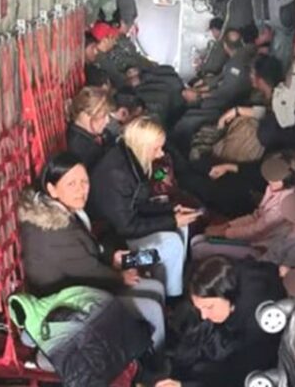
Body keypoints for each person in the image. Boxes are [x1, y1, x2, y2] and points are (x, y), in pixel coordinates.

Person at [18, 152, 166, 350]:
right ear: (52, 189)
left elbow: (88, 251)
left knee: (156, 285)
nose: (81, 190)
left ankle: (158, 344)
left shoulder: (62, 211)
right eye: (71, 184)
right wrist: (120, 277)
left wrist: (112, 257)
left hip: (83, 284)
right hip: (65, 304)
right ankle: (154, 361)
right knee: (152, 307)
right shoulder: (54, 231)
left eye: (84, 182)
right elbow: (89, 271)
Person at [88, 116, 201, 297]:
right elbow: (126, 227)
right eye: (156, 148)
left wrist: (171, 210)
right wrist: (171, 221)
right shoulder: (118, 174)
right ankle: (173, 297)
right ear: (143, 146)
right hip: (120, 249)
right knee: (172, 245)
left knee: (182, 226)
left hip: (126, 229)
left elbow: (138, 204)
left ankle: (175, 279)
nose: (161, 154)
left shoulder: (131, 161)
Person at [156, 255, 287, 387]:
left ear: (227, 296)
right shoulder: (229, 275)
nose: (204, 315)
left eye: (209, 307)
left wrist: (185, 385)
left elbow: (241, 375)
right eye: (200, 308)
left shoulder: (256, 322)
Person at [191, 151, 295, 260]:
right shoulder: (274, 188)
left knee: (199, 248)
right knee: (198, 240)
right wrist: (226, 226)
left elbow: (256, 230)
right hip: (255, 239)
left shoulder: (285, 205)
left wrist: (224, 233)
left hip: (263, 250)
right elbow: (256, 216)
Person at [66, 87, 113, 171]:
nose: (108, 120)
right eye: (104, 115)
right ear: (90, 114)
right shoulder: (83, 149)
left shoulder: (98, 133)